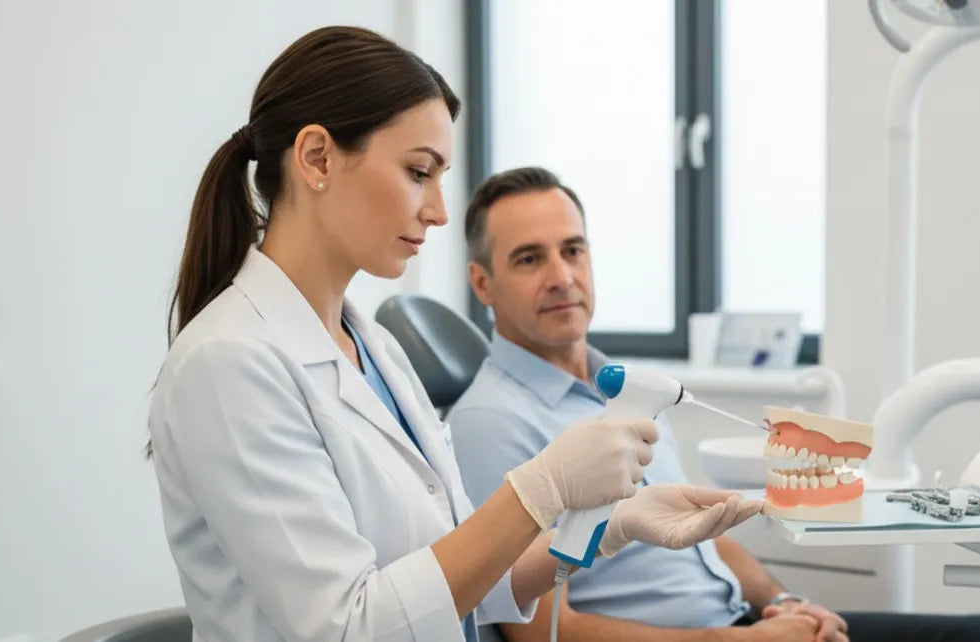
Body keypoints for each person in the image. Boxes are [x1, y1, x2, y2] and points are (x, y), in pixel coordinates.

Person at [147, 27, 763, 642]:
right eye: (419, 172)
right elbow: (347, 628)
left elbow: (466, 581)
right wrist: (537, 490)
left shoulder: (374, 347)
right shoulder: (229, 363)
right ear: (317, 158)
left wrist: (613, 529)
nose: (439, 210)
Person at [447, 166, 980, 642]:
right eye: (529, 259)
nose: (561, 276)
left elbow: (709, 538)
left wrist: (784, 603)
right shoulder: (490, 422)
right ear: (482, 284)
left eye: (572, 250)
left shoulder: (627, 391)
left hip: (742, 622)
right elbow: (550, 632)